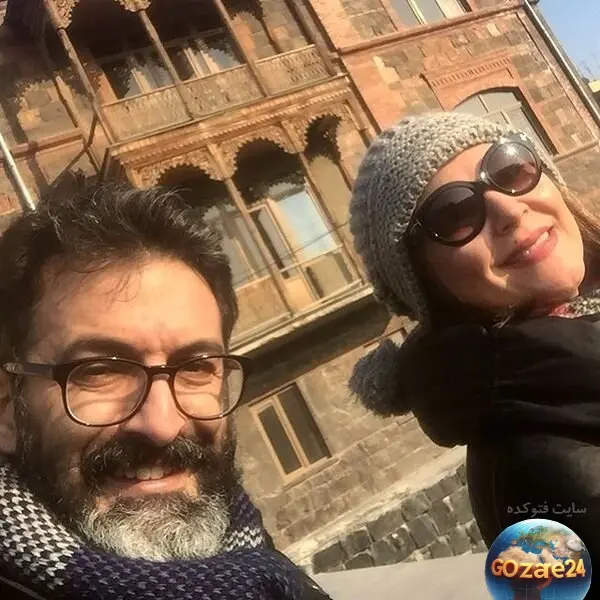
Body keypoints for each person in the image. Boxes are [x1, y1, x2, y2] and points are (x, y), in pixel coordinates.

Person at [0, 183, 331, 600]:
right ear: (7, 407)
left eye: (195, 368)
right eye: (100, 370)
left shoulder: (272, 580)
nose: (162, 425)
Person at [348, 112, 600, 578]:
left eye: (510, 169)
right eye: (455, 213)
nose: (509, 210)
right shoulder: (531, 474)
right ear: (426, 280)